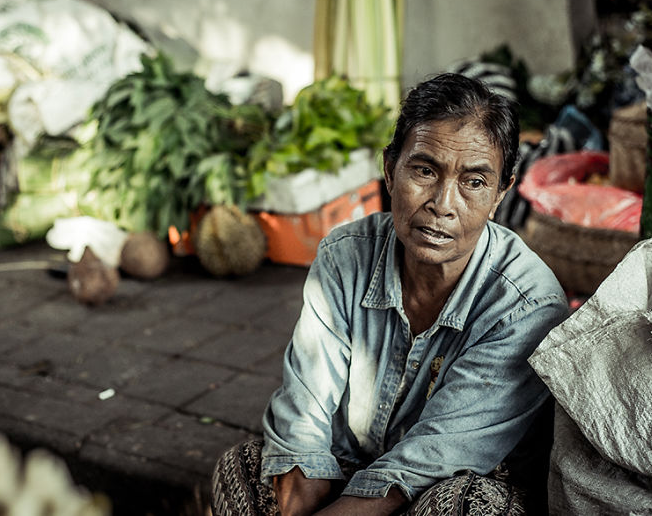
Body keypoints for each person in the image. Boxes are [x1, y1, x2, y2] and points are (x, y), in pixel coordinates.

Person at [211, 73, 569, 515]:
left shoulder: (525, 306)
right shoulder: (345, 256)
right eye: (424, 171)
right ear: (389, 169)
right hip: (354, 466)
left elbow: (429, 460)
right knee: (244, 469)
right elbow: (304, 418)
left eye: (474, 182)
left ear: (500, 194)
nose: (443, 204)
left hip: (458, 482)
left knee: (462, 507)